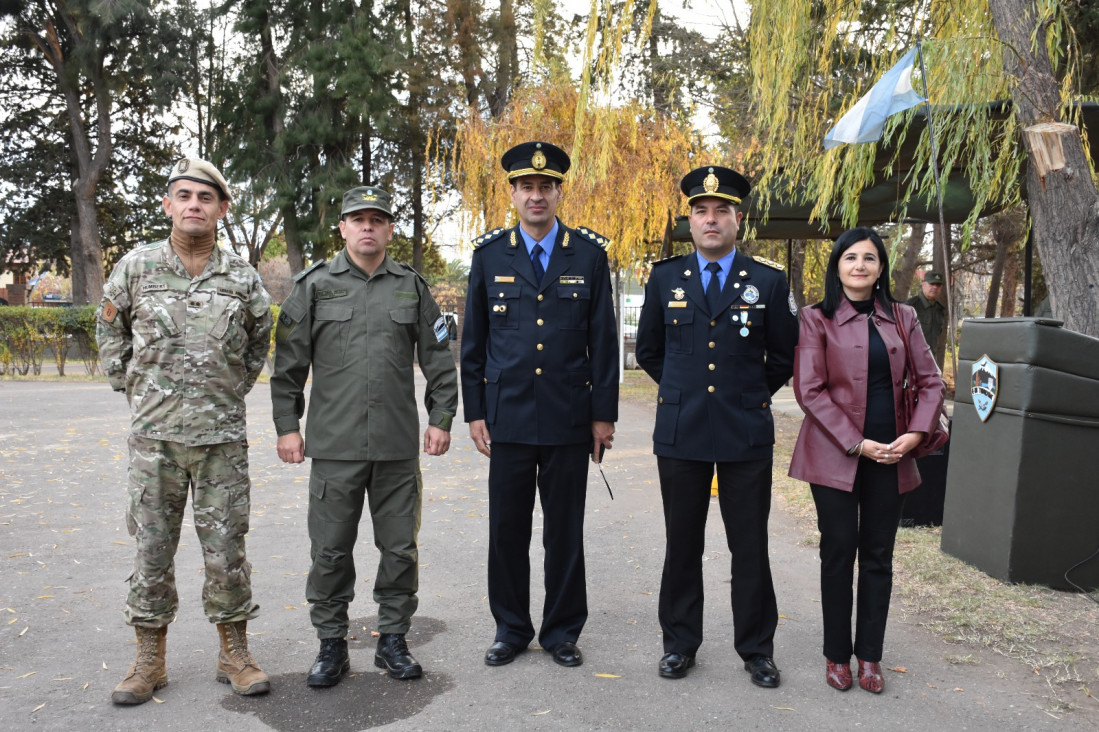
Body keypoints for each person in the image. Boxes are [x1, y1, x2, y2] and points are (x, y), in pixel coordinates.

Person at [96, 157, 273, 704]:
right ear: (168, 205)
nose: (194, 205)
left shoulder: (241, 277)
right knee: (152, 551)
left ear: (222, 208)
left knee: (226, 553)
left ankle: (234, 653)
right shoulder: (136, 267)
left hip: (221, 442)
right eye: (184, 196)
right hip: (155, 443)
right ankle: (149, 661)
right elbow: (109, 330)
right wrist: (134, 388)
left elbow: (256, 345)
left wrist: (221, 397)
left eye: (206, 197)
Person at [271, 186, 459, 687]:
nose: (368, 227)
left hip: (397, 447)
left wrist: (441, 418)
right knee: (330, 550)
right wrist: (287, 427)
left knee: (399, 549)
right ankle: (331, 645)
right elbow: (288, 366)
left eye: (377, 219)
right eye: (358, 219)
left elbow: (439, 361)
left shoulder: (411, 287)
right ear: (343, 227)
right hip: (334, 447)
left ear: (390, 228)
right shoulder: (314, 285)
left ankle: (392, 640)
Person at [635, 165, 799, 685]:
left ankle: (756, 650)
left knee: (748, 543)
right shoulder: (664, 277)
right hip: (681, 431)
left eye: (721, 211)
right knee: (682, 541)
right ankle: (680, 644)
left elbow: (784, 354)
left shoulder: (768, 280)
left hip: (743, 431)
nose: (711, 220)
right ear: (690, 220)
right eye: (702, 212)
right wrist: (683, 394)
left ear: (736, 219)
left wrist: (748, 395)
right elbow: (650, 351)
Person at [460, 141, 618, 669]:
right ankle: (510, 628)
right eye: (526, 187)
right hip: (507, 417)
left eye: (545, 187)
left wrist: (603, 415)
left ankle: (562, 632)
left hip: (569, 417)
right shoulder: (488, 257)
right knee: (507, 530)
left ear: (558, 192)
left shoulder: (589, 256)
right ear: (513, 193)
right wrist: (475, 411)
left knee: (564, 531)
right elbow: (473, 345)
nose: (536, 195)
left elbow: (605, 343)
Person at [789, 227, 944, 694]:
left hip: (893, 453)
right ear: (837, 266)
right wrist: (856, 443)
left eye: (870, 258)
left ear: (881, 269)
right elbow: (809, 390)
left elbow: (931, 381)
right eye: (850, 257)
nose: (860, 265)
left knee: (878, 556)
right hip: (836, 453)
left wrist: (915, 433)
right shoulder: (816, 318)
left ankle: (870, 656)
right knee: (838, 552)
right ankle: (837, 655)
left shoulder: (903, 317)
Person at [906, 270, 946, 368]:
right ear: (923, 284)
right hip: (911, 362)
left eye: (938, 285)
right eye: (932, 283)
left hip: (931, 362)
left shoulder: (940, 309)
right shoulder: (909, 306)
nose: (935, 287)